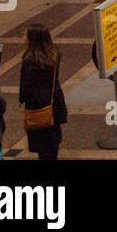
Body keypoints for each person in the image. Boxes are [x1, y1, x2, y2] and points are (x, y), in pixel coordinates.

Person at [19, 23, 67, 161]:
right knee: (53, 142)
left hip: (38, 106)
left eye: (25, 35)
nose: (23, 37)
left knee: (43, 147)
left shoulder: (30, 62)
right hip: (54, 102)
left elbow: (25, 89)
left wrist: (22, 99)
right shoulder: (54, 54)